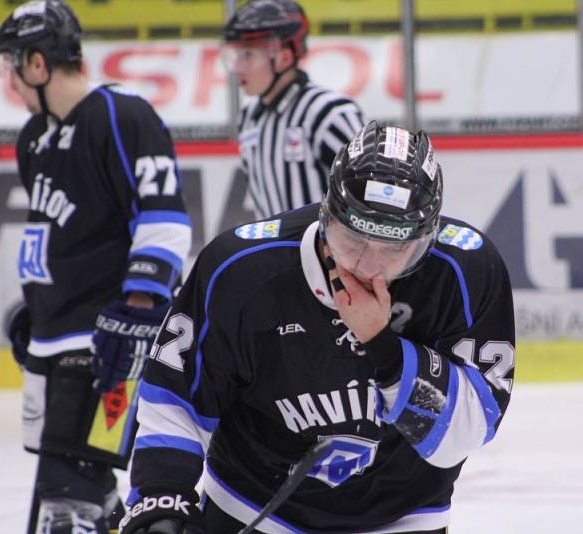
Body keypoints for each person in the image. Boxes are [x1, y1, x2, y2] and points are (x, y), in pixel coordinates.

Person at [118, 122, 516, 534]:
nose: (367, 265)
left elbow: (466, 432)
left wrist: (384, 347)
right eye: (354, 239)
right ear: (327, 215)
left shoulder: (464, 273)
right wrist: (161, 495)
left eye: (394, 248)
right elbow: (177, 393)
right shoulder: (239, 269)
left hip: (403, 516)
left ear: (425, 240)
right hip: (251, 506)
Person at [0, 1, 192, 532]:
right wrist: (38, 312)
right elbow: (56, 234)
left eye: (11, 64)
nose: (6, 79)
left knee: (68, 497)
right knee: (85, 490)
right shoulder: (35, 137)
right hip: (55, 342)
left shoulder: (123, 115)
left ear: (37, 63)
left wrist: (140, 308)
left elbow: (164, 217)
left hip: (109, 341)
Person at [222, 0, 364, 219]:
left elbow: (365, 190)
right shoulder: (249, 117)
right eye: (236, 56)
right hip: (275, 251)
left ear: (284, 58)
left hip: (324, 251)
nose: (238, 67)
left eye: (248, 55)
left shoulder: (328, 112)